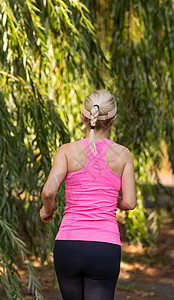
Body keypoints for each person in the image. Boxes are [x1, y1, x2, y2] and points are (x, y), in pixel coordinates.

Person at [39, 90, 137, 300]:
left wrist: (48, 210)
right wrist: (110, 199)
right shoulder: (123, 155)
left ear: (83, 117)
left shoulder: (66, 152)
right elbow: (129, 202)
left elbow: (48, 191)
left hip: (69, 245)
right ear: (113, 121)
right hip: (104, 247)